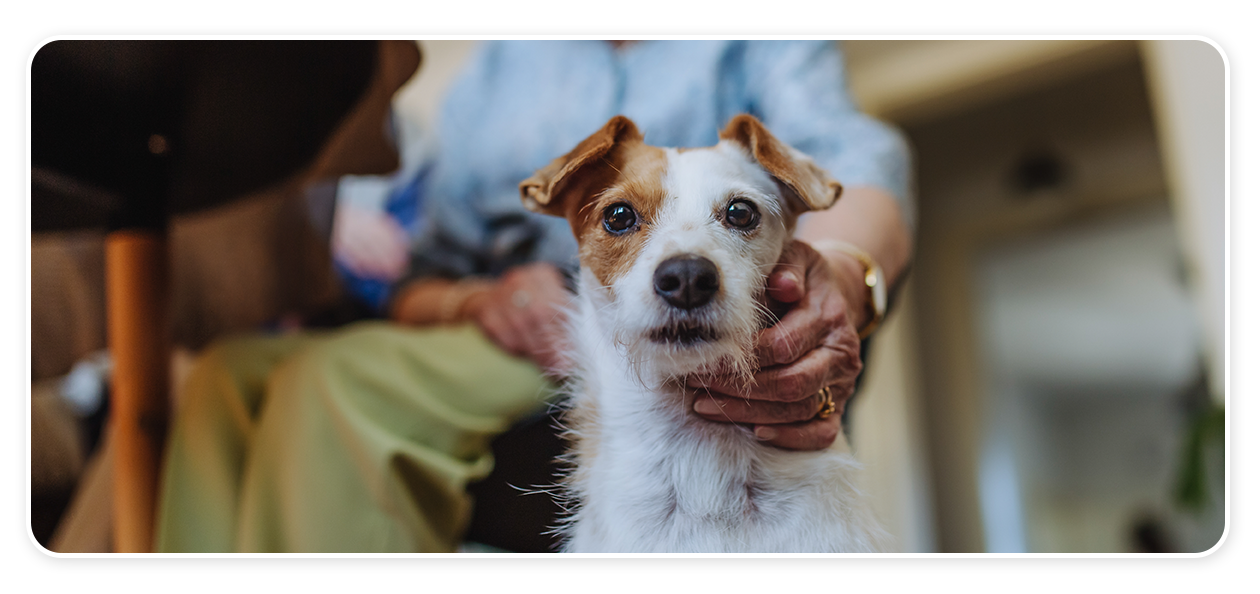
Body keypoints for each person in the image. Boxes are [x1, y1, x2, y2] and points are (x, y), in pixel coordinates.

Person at [155, 40, 913, 553]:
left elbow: (862, 165)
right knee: (228, 378)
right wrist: (474, 302)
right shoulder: (505, 58)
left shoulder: (754, 36)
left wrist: (844, 269)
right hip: (485, 311)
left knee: (331, 384)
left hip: (591, 322)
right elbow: (421, 271)